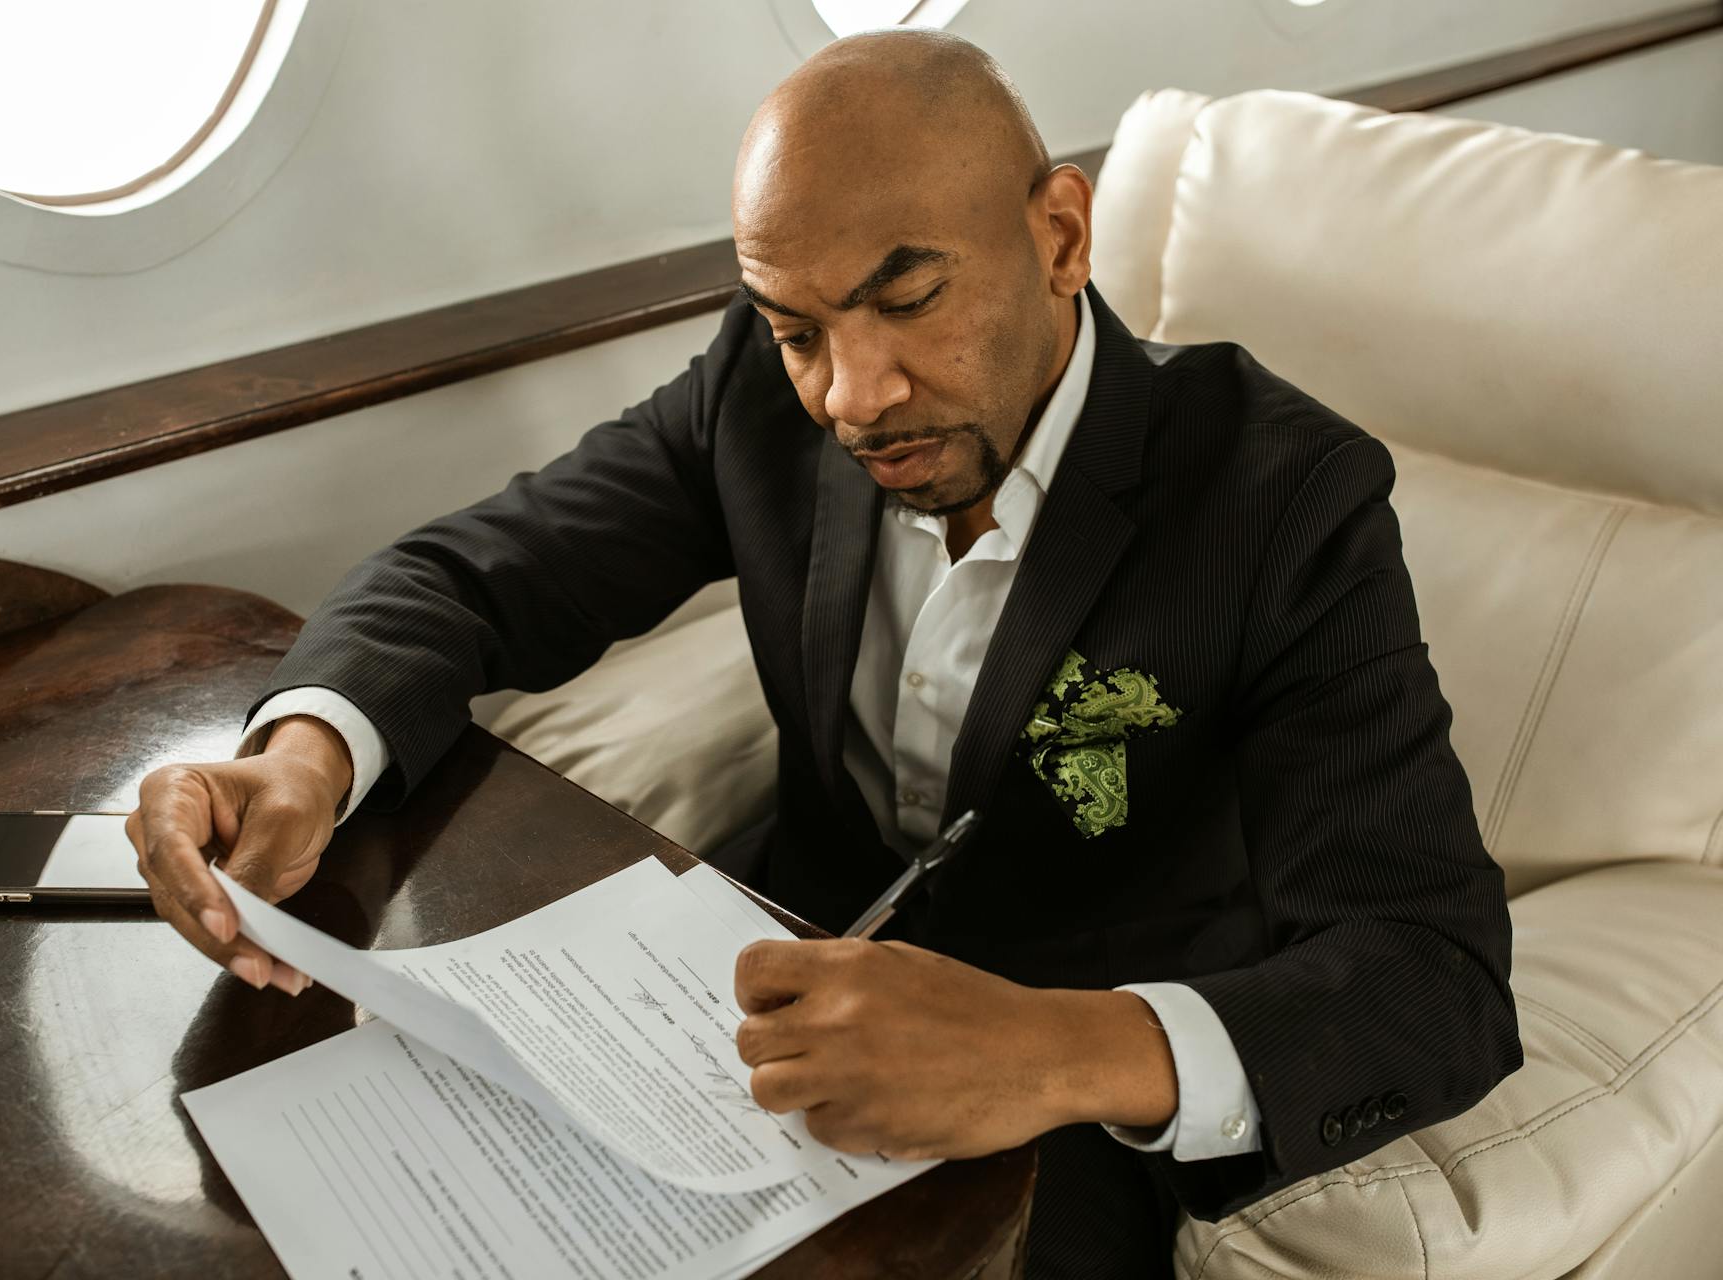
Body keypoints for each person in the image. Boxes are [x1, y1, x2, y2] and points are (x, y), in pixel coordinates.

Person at [126, 29, 1520, 1277]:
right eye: (801, 330)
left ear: (1060, 237)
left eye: (908, 301)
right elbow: (472, 573)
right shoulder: (759, 391)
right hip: (738, 1017)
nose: (852, 397)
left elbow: (1434, 974)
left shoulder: (1281, 499)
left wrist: (1055, 1051)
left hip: (1054, 1104)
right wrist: (307, 756)